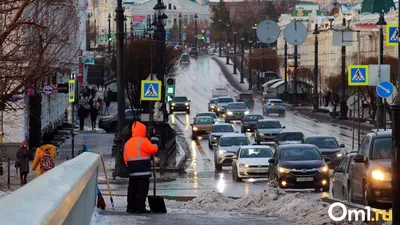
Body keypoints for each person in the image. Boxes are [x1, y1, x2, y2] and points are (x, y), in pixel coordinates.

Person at [123, 121, 159, 213]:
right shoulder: (143, 141)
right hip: (143, 170)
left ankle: (131, 207)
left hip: (132, 170)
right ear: (142, 130)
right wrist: (155, 139)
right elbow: (153, 149)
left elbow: (125, 157)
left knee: (132, 189)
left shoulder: (128, 143)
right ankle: (140, 207)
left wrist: (128, 167)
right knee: (142, 190)